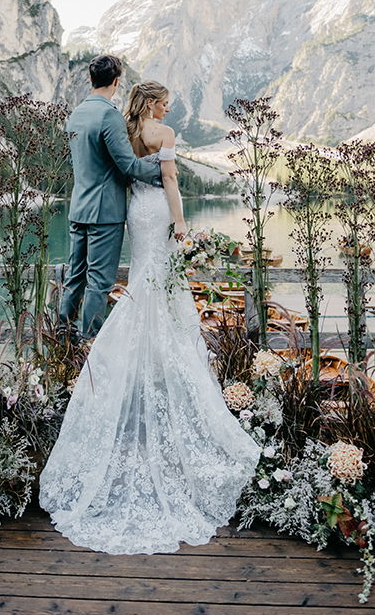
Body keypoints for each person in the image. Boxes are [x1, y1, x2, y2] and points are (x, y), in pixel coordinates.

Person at [40, 80, 261, 554]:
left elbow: (119, 169)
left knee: (143, 284)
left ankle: (129, 363)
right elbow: (172, 180)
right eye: (165, 100)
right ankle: (163, 367)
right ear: (157, 103)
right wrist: (180, 222)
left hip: (132, 214)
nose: (168, 105)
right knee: (165, 292)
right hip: (158, 209)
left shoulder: (124, 129)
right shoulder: (165, 132)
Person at [58, 54, 162, 341]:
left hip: (78, 209)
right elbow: (128, 164)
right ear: (116, 81)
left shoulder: (76, 113)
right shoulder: (109, 115)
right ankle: (89, 345)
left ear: (91, 79)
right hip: (105, 213)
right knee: (100, 282)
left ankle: (62, 341)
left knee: (75, 278)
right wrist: (161, 168)